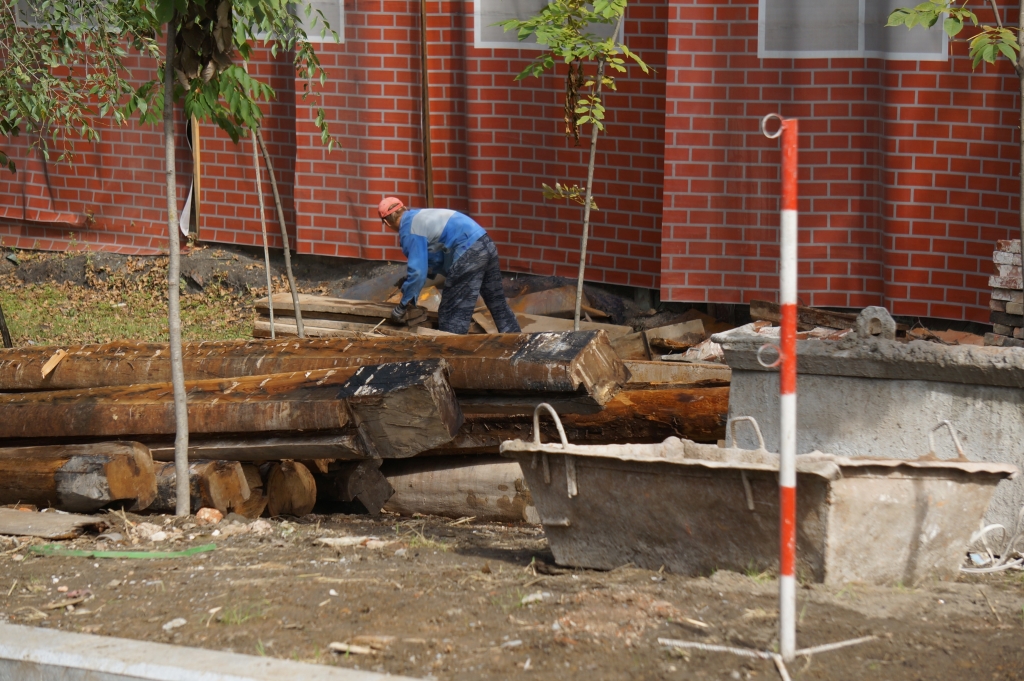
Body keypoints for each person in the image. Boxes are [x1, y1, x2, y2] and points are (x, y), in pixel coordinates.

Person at [377, 197, 521, 334]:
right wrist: (413, 283)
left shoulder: (409, 230)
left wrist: (402, 305)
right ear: (404, 208)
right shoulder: (420, 216)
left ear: (387, 223)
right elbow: (436, 256)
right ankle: (518, 343)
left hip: (468, 251)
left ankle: (450, 356)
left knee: (451, 313)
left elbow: (418, 272)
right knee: (496, 301)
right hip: (485, 241)